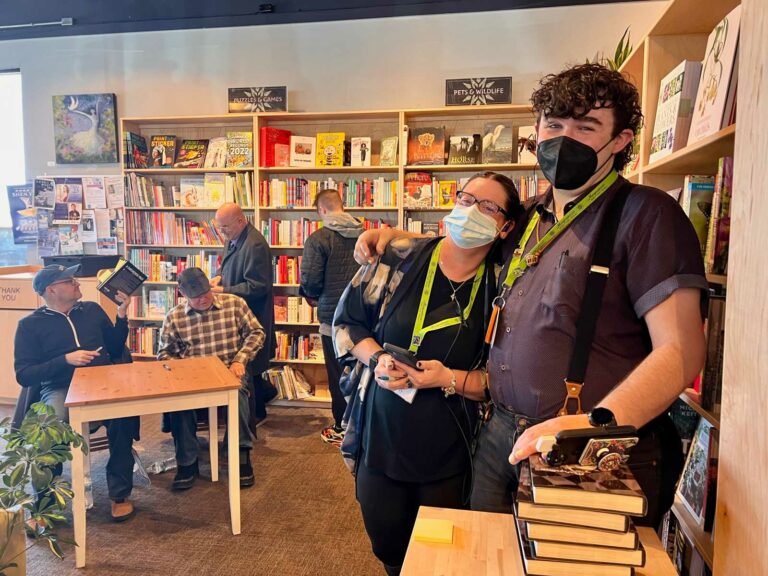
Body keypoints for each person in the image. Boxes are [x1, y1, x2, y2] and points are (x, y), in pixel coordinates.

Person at [354, 63, 708, 528]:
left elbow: (681, 351)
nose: (565, 139)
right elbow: (466, 242)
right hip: (499, 433)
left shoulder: (647, 217)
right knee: (488, 558)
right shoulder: (527, 220)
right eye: (554, 125)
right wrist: (398, 239)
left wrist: (589, 426)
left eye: (586, 127)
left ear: (620, 141)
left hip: (583, 446)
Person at [334, 173, 521, 576]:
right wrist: (378, 358)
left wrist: (446, 378)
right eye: (465, 198)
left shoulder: (505, 285)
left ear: (505, 226)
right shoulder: (399, 256)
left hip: (448, 450)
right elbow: (347, 326)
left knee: (439, 557)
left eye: (487, 207)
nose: (470, 211)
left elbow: (502, 381)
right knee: (388, 548)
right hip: (381, 438)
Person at [14, 264, 139, 522]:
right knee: (49, 428)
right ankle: (44, 504)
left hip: (103, 381)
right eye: (70, 281)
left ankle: (120, 494)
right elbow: (24, 374)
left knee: (124, 419)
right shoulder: (29, 326)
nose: (78, 284)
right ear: (52, 290)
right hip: (60, 386)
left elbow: (115, 347)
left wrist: (122, 314)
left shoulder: (91, 310)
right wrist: (65, 360)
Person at [157, 267, 265, 490]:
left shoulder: (234, 303)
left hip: (228, 369)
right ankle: (187, 462)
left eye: (206, 293)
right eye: (196, 297)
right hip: (193, 375)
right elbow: (165, 354)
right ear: (183, 294)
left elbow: (257, 332)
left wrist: (240, 360)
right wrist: (180, 371)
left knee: (238, 394)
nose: (204, 299)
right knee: (179, 402)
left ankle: (239, 454)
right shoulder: (174, 316)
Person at [298, 189, 363, 445]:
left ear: (321, 210)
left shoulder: (318, 239)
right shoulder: (367, 234)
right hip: (364, 319)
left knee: (338, 375)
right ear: (342, 205)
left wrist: (311, 295)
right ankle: (362, 424)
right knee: (362, 373)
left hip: (332, 321)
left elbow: (311, 282)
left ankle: (342, 427)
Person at [212, 203, 277, 426]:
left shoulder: (255, 244)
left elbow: (258, 287)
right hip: (238, 313)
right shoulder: (235, 237)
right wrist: (218, 278)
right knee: (251, 366)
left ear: (240, 221)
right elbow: (227, 266)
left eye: (225, 227)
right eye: (219, 228)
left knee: (251, 364)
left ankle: (257, 413)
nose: (222, 232)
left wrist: (223, 290)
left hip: (252, 315)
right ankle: (261, 403)